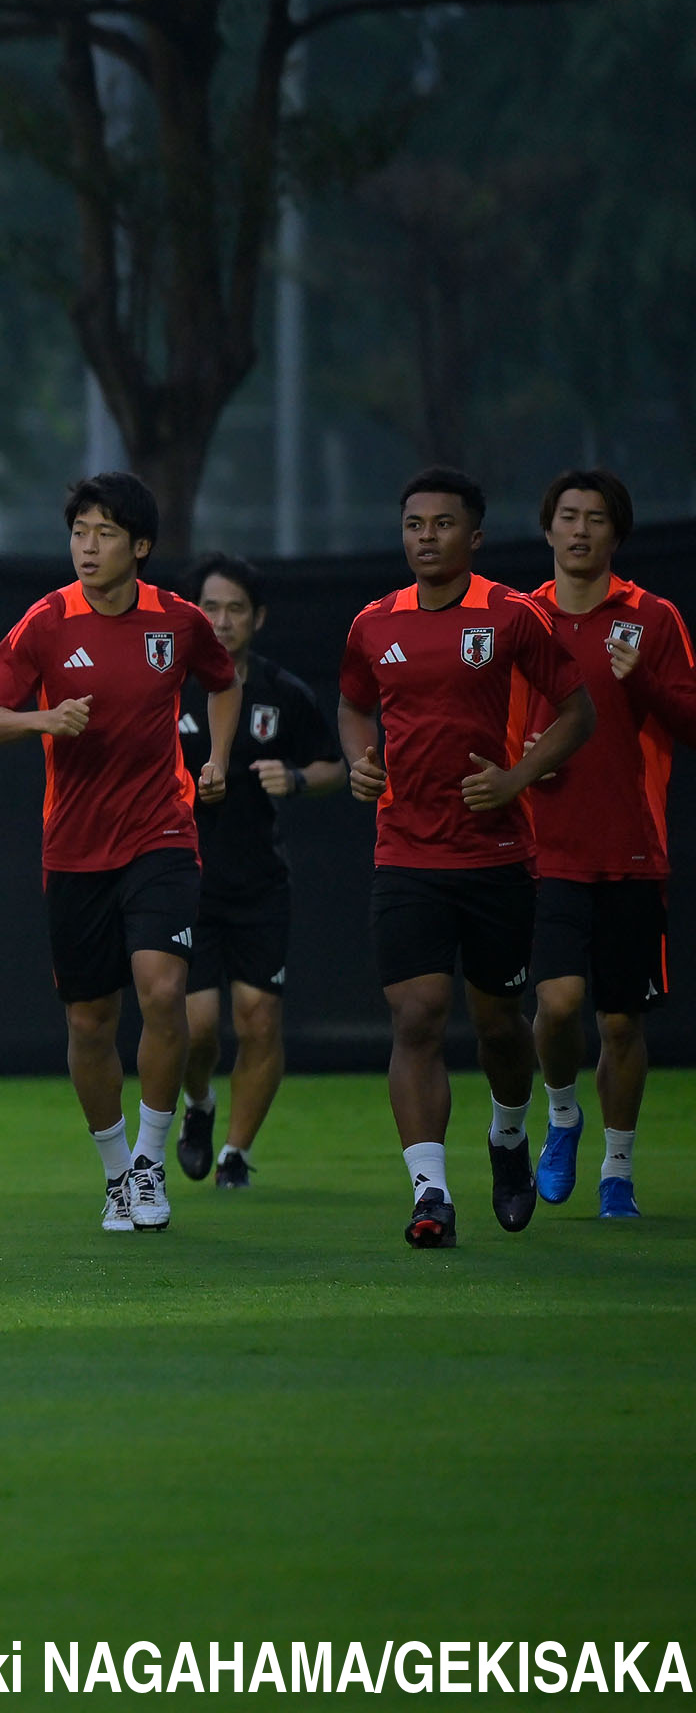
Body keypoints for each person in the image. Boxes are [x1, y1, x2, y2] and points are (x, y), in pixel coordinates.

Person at [0, 471, 237, 1236]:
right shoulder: (46, 622)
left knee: (162, 991)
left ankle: (152, 1160)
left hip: (161, 834)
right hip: (75, 849)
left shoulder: (180, 622)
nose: (88, 546)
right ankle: (117, 1171)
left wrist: (216, 757)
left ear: (141, 547)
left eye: (106, 533)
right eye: (80, 531)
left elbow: (221, 680)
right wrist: (42, 721)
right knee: (90, 1021)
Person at [339, 467, 593, 1247]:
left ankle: (510, 1139)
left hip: (496, 856)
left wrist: (517, 775)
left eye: (442, 524)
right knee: (416, 1015)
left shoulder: (511, 616)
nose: (426, 537)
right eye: (414, 524)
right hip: (407, 851)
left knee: (498, 1027)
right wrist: (360, 758)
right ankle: (430, 1193)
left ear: (473, 537)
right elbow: (354, 703)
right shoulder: (373, 623)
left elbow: (576, 711)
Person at [517, 469, 696, 1220]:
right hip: (544, 849)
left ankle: (617, 1171)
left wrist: (645, 684)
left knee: (621, 1022)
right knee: (557, 1006)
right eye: (568, 516)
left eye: (595, 518)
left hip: (631, 849)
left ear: (616, 534)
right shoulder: (518, 617)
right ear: (548, 529)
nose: (581, 529)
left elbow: (689, 721)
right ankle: (562, 1120)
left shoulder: (653, 619)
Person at [172, 553, 343, 1189]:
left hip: (259, 883)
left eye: (235, 608)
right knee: (194, 1031)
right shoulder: (173, 686)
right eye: (209, 608)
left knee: (258, 1019)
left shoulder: (282, 692)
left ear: (258, 617)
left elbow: (335, 766)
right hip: (185, 880)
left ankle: (235, 1155)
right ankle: (199, 1106)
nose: (221, 621)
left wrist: (296, 778)